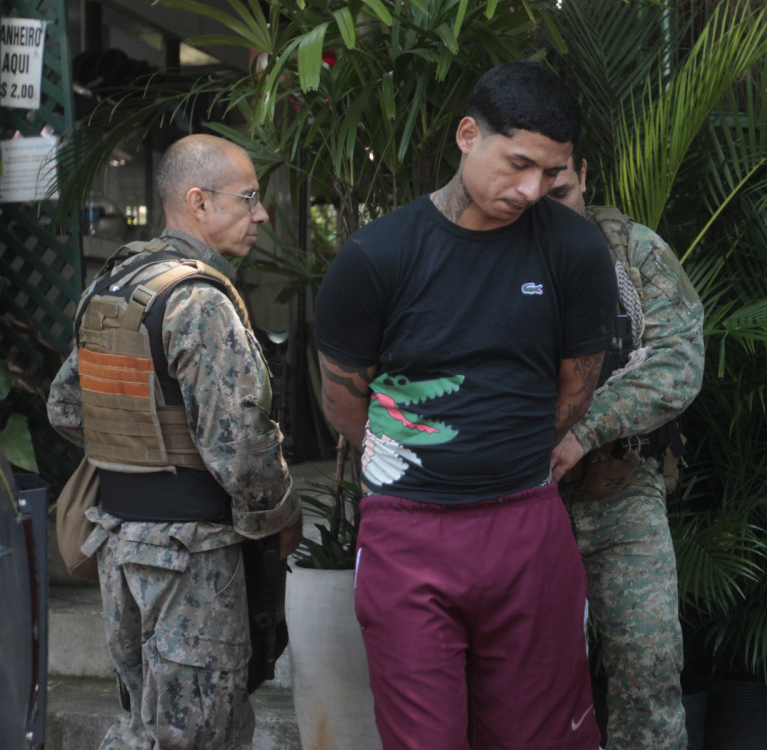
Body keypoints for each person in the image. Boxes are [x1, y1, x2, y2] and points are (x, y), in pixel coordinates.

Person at [313, 60, 617, 749]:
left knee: (541, 738)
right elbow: (344, 403)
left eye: (551, 172)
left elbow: (576, 388)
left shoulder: (574, 249)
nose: (532, 189)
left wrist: (502, 454)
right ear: (467, 135)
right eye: (517, 164)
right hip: (408, 532)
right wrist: (422, 460)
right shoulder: (376, 256)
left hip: (526, 523)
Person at [47, 134, 302, 750]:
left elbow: (64, 405)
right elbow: (241, 447)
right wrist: (280, 515)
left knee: (145, 730)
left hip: (119, 547)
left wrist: (147, 445)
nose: (261, 214)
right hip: (193, 557)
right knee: (198, 733)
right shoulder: (200, 300)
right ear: (199, 202)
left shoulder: (113, 285)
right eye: (249, 199)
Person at [547, 150, 705, 750]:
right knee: (529, 685)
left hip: (620, 488)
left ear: (585, 175)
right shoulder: (491, 250)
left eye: (560, 192)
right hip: (521, 499)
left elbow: (679, 363)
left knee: (649, 663)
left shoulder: (632, 252)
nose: (548, 210)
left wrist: (586, 431)